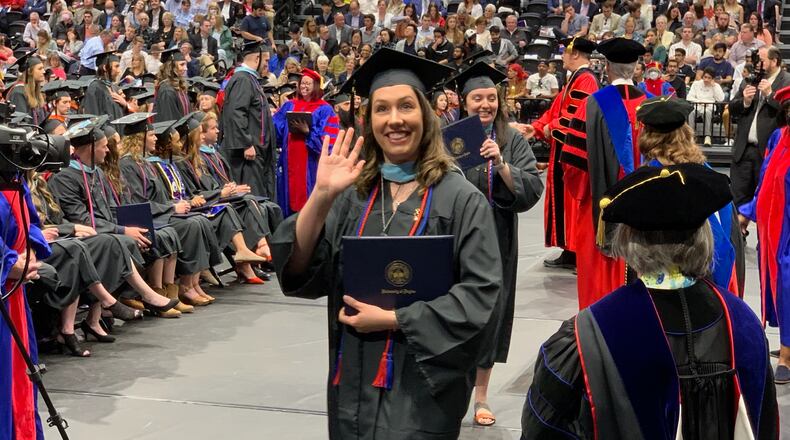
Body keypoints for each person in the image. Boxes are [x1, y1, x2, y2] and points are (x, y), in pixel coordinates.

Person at [270, 47, 502, 439]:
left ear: (426, 116)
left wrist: (395, 319)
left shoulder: (460, 199)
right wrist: (321, 197)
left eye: (406, 107)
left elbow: (482, 296)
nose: (394, 120)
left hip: (424, 383)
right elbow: (301, 268)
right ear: (369, 119)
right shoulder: (353, 194)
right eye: (382, 109)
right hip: (353, 380)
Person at [521, 161, 778, 439]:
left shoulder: (588, 335)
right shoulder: (745, 323)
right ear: (704, 237)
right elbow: (765, 424)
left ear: (628, 240)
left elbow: (544, 429)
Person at [449, 61, 544, 427]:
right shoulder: (450, 137)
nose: (485, 104)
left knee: (491, 312)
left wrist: (502, 164)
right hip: (455, 238)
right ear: (464, 101)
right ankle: (452, 387)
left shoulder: (512, 140)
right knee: (454, 309)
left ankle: (482, 395)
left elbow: (532, 187)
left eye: (491, 97)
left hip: (496, 236)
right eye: (477, 98)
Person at [48, 117, 182, 316]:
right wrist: (123, 230)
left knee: (150, 234)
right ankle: (141, 295)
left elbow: (112, 209)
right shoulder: (65, 178)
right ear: (90, 148)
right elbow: (82, 218)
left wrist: (131, 226)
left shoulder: (97, 173)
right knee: (121, 242)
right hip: (83, 233)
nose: (109, 150)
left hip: (104, 230)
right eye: (104, 146)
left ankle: (140, 295)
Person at [561, 37, 648, 309]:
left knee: (599, 295)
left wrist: (585, 195)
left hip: (600, 215)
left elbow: (574, 168)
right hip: (646, 220)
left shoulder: (591, 105)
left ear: (607, 67)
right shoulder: (654, 107)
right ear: (636, 67)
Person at [637, 97, 745, 297]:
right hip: (711, 283)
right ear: (686, 132)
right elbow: (725, 242)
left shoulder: (648, 180)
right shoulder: (709, 173)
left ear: (647, 136)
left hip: (671, 290)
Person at [525, 37, 600, 270]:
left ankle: (578, 253)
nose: (561, 57)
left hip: (573, 155)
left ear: (574, 53)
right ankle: (569, 250)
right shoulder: (573, 80)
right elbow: (556, 109)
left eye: (564, 53)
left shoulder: (586, 80)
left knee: (574, 204)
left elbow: (575, 117)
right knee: (565, 204)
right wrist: (536, 127)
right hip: (562, 151)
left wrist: (552, 128)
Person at [740, 83, 790, 384]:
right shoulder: (777, 137)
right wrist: (748, 211)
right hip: (772, 231)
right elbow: (766, 181)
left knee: (787, 285)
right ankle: (786, 343)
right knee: (776, 287)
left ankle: (786, 355)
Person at [0, 171, 49, 440]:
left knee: (18, 378)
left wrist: (29, 253)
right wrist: (7, 261)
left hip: (12, 296)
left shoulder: (13, 177)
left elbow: (30, 221)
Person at [729, 46, 790, 208]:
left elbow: (786, 113)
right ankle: (738, 234)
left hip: (770, 152)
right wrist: (745, 102)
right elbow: (732, 108)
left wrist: (770, 95)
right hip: (743, 150)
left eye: (761, 61)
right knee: (736, 201)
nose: (757, 64)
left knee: (767, 204)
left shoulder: (787, 81)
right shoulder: (750, 79)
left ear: (774, 61)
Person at [274, 68, 339, 217]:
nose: (304, 86)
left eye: (308, 83)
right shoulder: (289, 105)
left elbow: (327, 145)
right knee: (289, 199)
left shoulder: (325, 109)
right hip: (289, 161)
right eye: (302, 83)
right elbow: (276, 132)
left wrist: (308, 133)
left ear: (316, 85)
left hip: (311, 164)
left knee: (309, 204)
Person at [220, 41, 278, 199]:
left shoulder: (249, 79)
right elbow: (236, 113)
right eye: (266, 61)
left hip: (256, 151)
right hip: (248, 154)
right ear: (256, 58)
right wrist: (246, 144)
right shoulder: (243, 80)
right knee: (252, 199)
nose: (268, 65)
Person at [81, 50, 136, 121]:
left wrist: (125, 104)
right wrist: (110, 131)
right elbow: (93, 118)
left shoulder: (112, 87)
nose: (119, 71)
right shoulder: (95, 88)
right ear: (105, 68)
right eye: (116, 66)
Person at [6, 51, 47, 126]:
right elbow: (21, 123)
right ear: (29, 72)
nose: (44, 71)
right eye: (40, 69)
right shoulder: (18, 93)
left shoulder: (35, 92)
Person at [153, 48, 191, 122]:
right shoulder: (166, 90)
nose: (185, 68)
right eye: (182, 64)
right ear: (171, 67)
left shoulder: (178, 86)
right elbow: (169, 120)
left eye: (185, 64)